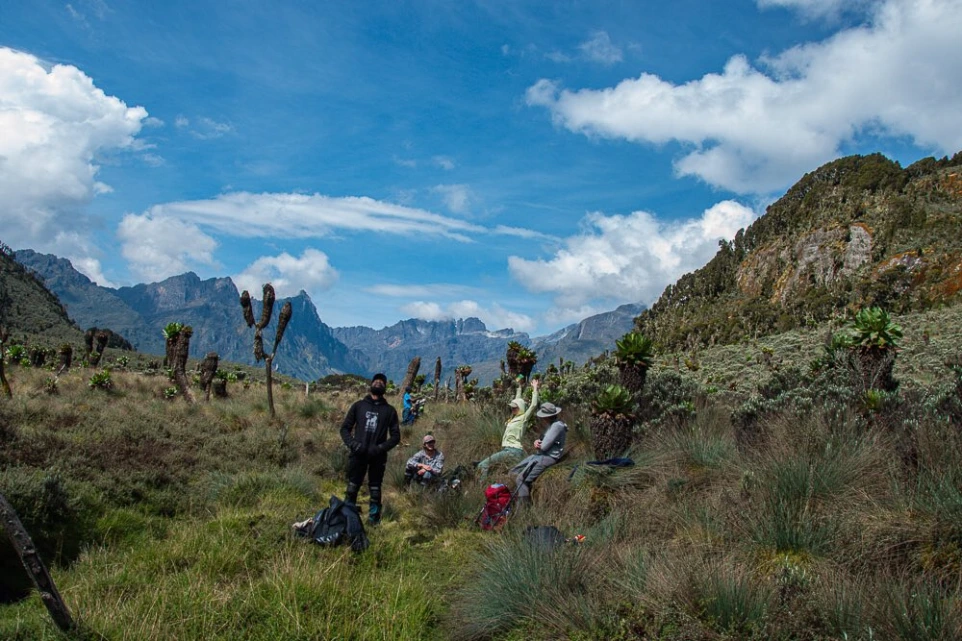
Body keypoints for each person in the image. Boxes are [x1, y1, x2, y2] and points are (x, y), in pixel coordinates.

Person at [339, 373, 401, 525]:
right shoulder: (358, 406)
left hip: (377, 457)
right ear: (371, 384)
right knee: (352, 486)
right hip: (358, 453)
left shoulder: (390, 411)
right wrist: (353, 444)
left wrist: (380, 448)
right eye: (376, 381)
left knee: (375, 488)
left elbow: (395, 436)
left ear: (385, 387)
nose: (378, 383)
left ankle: (374, 520)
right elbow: (345, 429)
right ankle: (347, 516)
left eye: (382, 382)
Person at [476, 378, 540, 478]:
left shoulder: (523, 418)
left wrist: (535, 388)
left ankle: (481, 485)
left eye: (515, 408)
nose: (512, 409)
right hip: (510, 451)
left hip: (513, 451)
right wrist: (519, 386)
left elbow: (533, 405)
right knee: (508, 475)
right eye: (512, 407)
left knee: (483, 465)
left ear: (521, 408)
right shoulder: (513, 417)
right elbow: (518, 399)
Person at [510, 401, 567, 503]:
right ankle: (516, 497)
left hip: (548, 457)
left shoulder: (557, 426)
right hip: (540, 455)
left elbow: (544, 447)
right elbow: (544, 441)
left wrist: (540, 444)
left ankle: (523, 507)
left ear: (547, 416)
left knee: (521, 479)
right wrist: (537, 442)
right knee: (514, 471)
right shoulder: (552, 425)